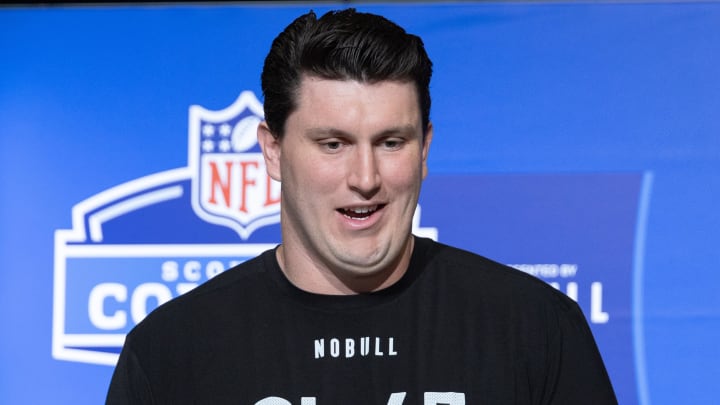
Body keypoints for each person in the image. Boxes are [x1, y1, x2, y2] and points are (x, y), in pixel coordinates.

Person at [106, 8, 617, 404]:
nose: (366, 178)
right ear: (274, 151)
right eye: (334, 144)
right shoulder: (170, 352)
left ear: (425, 150)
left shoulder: (535, 328)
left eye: (391, 142)